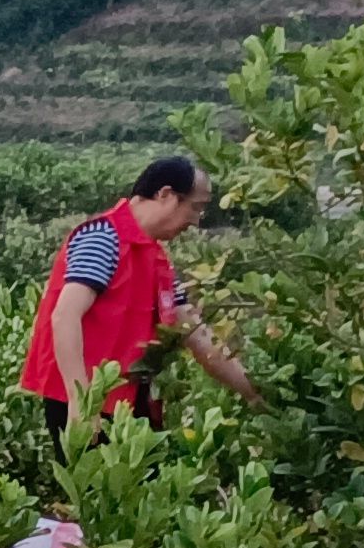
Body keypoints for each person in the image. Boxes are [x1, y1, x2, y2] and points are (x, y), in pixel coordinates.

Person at [22, 151, 252, 435]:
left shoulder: (156, 257)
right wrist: (82, 403)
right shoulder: (103, 238)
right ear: (166, 195)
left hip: (129, 403)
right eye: (195, 207)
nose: (196, 220)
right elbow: (65, 316)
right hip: (88, 400)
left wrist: (253, 393)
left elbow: (195, 332)